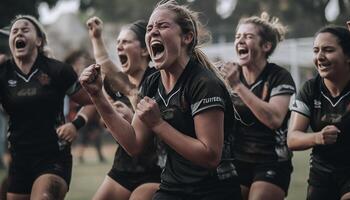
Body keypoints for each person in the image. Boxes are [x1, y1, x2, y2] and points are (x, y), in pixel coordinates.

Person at [80, 0, 242, 199]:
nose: (153, 31)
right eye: (149, 28)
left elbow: (210, 156)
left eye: (162, 26)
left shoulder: (204, 83)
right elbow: (134, 144)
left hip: (214, 191)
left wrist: (157, 123)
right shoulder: (152, 83)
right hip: (172, 188)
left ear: (187, 37)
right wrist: (97, 96)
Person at [0, 15, 91, 200]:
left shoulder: (58, 71)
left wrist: (76, 124)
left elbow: (92, 102)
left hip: (53, 158)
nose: (19, 33)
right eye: (14, 31)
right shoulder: (3, 73)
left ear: (39, 41)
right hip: (20, 160)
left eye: (25, 30)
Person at [220, 12, 295, 200]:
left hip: (271, 161)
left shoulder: (279, 76)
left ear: (266, 46)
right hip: (237, 160)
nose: (240, 40)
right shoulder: (227, 75)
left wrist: (238, 85)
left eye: (248, 36)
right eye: (238, 37)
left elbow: (274, 119)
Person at [85, 17, 162, 200]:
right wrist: (96, 37)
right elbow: (104, 64)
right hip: (123, 168)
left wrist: (131, 116)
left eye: (126, 42)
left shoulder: (157, 80)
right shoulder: (119, 85)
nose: (119, 46)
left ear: (144, 49)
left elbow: (162, 126)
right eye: (118, 42)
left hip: (154, 170)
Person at [288, 25, 350, 200]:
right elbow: (292, 139)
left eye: (328, 50)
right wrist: (318, 137)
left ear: (348, 56)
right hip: (322, 173)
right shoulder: (310, 88)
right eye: (316, 51)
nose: (320, 57)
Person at [64, 50, 106, 164]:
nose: (79, 64)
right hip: (80, 113)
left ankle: (100, 156)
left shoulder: (91, 77)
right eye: (78, 62)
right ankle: (79, 157)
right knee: (83, 137)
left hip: (91, 113)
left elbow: (93, 100)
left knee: (96, 136)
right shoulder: (71, 80)